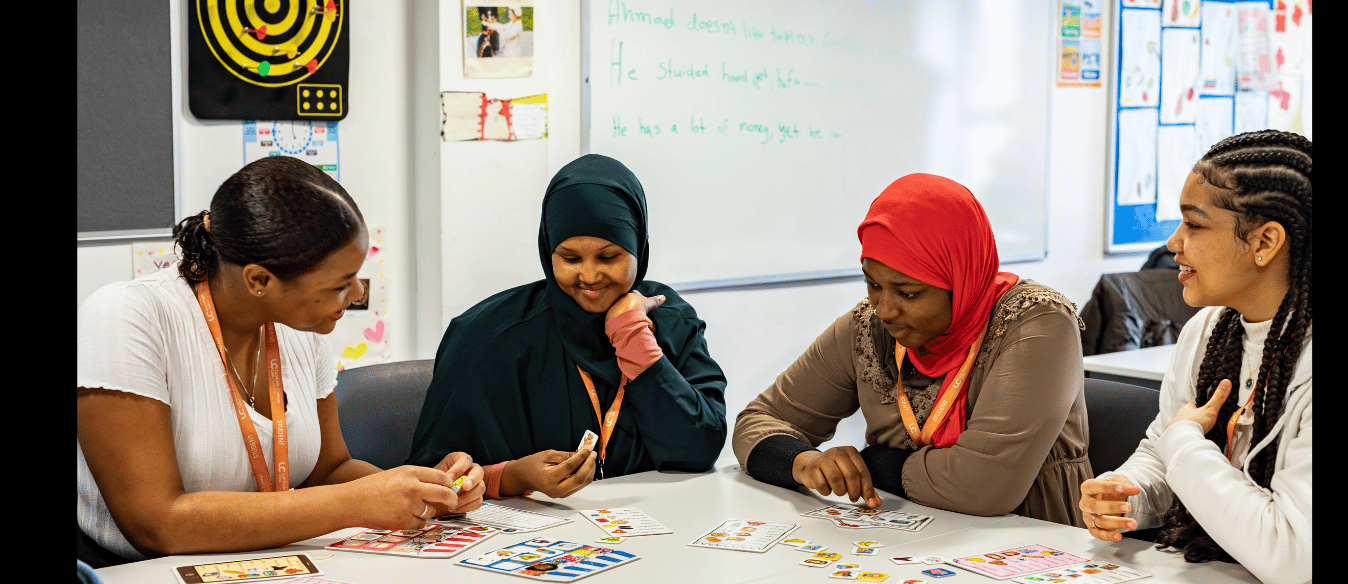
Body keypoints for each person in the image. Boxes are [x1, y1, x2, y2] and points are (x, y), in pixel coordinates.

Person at [77, 157, 486, 567]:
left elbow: (328, 470)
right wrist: (358, 502)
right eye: (340, 284)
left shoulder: (296, 326)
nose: (358, 292)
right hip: (134, 571)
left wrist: (427, 491)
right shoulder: (126, 316)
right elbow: (157, 525)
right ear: (259, 280)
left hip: (260, 565)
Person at [733, 173, 1092, 527]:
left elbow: (985, 485)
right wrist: (805, 462)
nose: (884, 309)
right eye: (872, 284)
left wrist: (872, 463)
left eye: (908, 293)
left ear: (960, 279)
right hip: (910, 537)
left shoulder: (1036, 323)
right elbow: (756, 422)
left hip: (1034, 542)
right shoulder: (868, 328)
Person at [406, 154, 728, 500]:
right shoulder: (490, 336)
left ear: (639, 248)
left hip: (659, 527)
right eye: (571, 258)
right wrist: (513, 476)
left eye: (609, 257)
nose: (590, 276)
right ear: (548, 252)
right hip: (527, 545)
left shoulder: (671, 321)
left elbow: (700, 449)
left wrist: (633, 335)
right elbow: (434, 480)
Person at [1079, 130, 1311, 584]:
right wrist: (1127, 494)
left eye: (1195, 225)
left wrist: (1185, 439)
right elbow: (1162, 455)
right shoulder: (1209, 330)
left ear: (1265, 242)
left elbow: (1293, 555)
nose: (1173, 242)